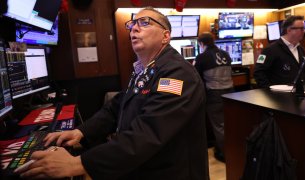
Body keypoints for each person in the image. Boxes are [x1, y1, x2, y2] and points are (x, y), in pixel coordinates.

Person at [16, 7, 209, 180]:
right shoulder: (145, 69)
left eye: (144, 23)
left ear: (165, 36)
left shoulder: (178, 74)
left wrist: (77, 164)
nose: (134, 28)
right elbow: (117, 106)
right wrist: (82, 132)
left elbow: (148, 133)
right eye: (132, 23)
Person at [194, 32, 234, 162]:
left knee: (219, 126)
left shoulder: (202, 57)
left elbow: (196, 78)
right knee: (228, 123)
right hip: (230, 93)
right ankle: (231, 148)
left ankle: (226, 154)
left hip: (214, 95)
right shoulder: (226, 54)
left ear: (201, 44)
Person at [254, 15, 305, 88]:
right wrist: (269, 91)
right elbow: (258, 72)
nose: (304, 31)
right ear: (289, 30)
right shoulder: (270, 50)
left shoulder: (301, 50)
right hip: (278, 97)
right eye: (301, 29)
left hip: (298, 95)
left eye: (304, 28)